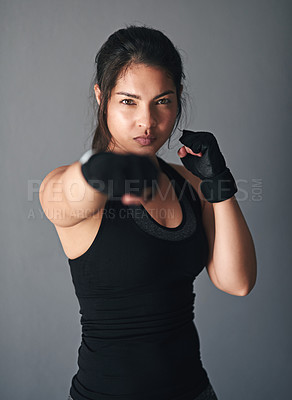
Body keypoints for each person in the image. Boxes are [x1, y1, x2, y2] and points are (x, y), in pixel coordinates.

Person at [39, 24, 257, 400]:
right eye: (128, 101)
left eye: (162, 101)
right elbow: (62, 196)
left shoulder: (188, 184)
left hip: (195, 392)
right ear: (101, 97)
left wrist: (219, 185)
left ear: (178, 99)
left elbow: (237, 282)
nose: (147, 121)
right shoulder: (71, 184)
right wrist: (97, 171)